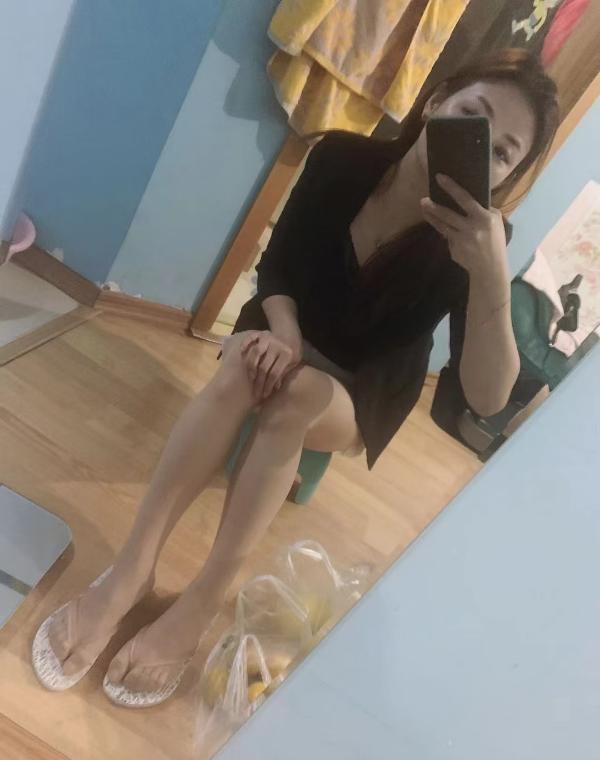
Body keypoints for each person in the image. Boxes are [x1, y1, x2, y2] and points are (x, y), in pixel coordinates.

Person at [33, 49, 559, 706]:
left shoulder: (479, 246)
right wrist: (283, 331)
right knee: (241, 370)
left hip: (360, 388)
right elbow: (277, 265)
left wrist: (490, 274)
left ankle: (204, 598)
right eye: (471, 116)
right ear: (435, 104)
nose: (480, 148)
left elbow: (486, 395)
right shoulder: (341, 158)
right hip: (288, 324)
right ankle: (130, 572)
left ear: (510, 175)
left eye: (503, 153)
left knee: (299, 396)